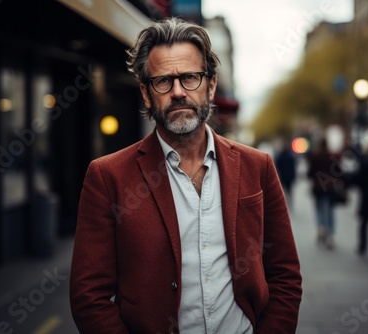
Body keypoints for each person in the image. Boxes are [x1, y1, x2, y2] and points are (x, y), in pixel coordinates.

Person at [69, 18, 302, 333]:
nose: (178, 92)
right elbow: (89, 295)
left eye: (190, 77)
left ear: (211, 85)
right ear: (147, 94)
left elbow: (285, 274)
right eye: (163, 81)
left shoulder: (257, 166)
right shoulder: (107, 176)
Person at [307, 137, 342, 249]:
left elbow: (310, 173)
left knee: (319, 208)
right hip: (330, 186)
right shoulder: (333, 156)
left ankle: (321, 227)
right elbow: (339, 172)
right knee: (330, 209)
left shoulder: (315, 156)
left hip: (318, 186)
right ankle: (331, 235)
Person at [274, 141, 297, 209]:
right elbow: (293, 168)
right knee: (289, 191)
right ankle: (290, 203)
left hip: (282, 177)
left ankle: (285, 203)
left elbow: (277, 168)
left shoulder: (279, 157)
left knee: (284, 191)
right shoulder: (291, 156)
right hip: (289, 177)